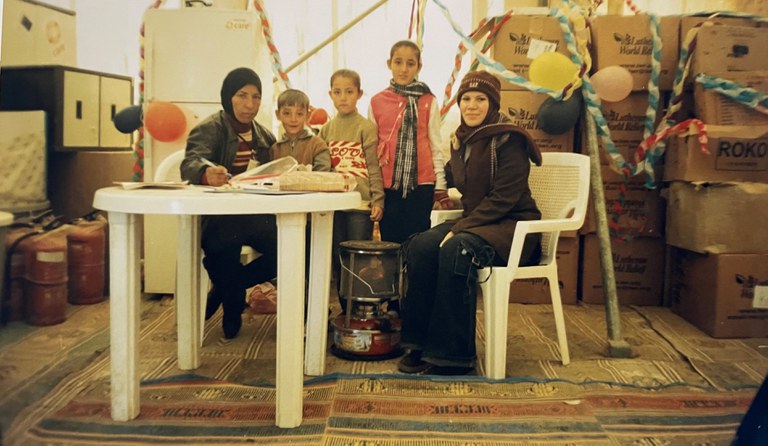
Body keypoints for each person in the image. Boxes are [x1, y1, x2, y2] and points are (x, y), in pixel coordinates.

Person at [396, 70, 543, 376]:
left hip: (511, 228)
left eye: (480, 99)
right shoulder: (461, 140)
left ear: (493, 104)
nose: (472, 106)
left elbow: (504, 199)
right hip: (478, 223)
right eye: (466, 99)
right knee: (421, 245)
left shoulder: (510, 140)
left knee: (457, 249)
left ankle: (453, 356)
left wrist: (458, 228)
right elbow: (449, 176)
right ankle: (419, 343)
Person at [180, 67, 277, 340]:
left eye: (256, 97)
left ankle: (226, 290)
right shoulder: (210, 128)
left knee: (294, 245)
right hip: (220, 216)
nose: (250, 104)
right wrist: (205, 173)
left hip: (256, 215)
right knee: (222, 246)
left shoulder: (264, 136)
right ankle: (233, 304)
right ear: (227, 97)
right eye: (242, 95)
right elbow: (191, 162)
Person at [369, 40, 452, 245]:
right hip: (388, 185)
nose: (404, 69)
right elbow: (371, 150)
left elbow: (435, 145)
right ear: (389, 63)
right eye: (398, 62)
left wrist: (440, 186)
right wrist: (375, 188)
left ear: (419, 67)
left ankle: (414, 278)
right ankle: (396, 277)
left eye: (410, 63)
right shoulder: (376, 101)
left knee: (417, 241)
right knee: (391, 243)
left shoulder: (428, 100)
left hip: (422, 184)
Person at [318, 69, 384, 313]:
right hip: (335, 206)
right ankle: (345, 309)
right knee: (338, 258)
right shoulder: (325, 130)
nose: (343, 97)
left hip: (360, 204)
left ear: (359, 94)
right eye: (337, 92)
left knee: (358, 256)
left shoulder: (365, 128)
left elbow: (374, 166)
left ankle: (359, 308)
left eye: (349, 92)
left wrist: (378, 200)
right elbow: (322, 171)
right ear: (330, 95)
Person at [271, 89, 332, 171]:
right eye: (287, 113)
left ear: (308, 115)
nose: (293, 119)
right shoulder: (275, 149)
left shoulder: (318, 145)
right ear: (278, 115)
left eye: (299, 114)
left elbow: (322, 173)